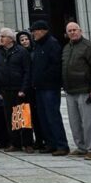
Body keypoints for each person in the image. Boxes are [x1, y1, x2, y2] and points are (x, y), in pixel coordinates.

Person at [62, 22, 91, 160]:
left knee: (89, 122)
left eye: (74, 30)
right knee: (74, 121)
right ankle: (81, 147)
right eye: (69, 31)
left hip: (86, 90)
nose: (72, 32)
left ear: (80, 31)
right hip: (70, 90)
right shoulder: (67, 48)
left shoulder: (89, 47)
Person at [29, 20, 69, 156]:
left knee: (52, 116)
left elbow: (55, 66)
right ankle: (50, 143)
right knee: (43, 117)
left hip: (50, 87)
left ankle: (61, 145)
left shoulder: (52, 44)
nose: (33, 34)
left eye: (35, 31)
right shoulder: (37, 45)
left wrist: (44, 78)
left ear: (42, 30)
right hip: (39, 87)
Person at [0, 28, 31, 152]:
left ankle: (27, 143)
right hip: (5, 89)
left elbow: (27, 71)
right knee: (10, 117)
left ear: (10, 39)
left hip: (19, 89)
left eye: (3, 36)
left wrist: (23, 88)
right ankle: (15, 143)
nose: (1, 39)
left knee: (23, 117)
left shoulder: (21, 51)